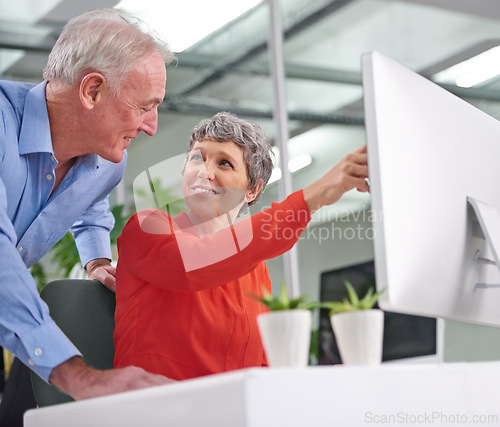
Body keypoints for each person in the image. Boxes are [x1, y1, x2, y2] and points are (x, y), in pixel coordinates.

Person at [0, 7, 176, 421]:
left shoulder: (108, 162)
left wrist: (96, 258)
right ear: (92, 90)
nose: (152, 125)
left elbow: (90, 198)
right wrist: (78, 376)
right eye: (145, 106)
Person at [114, 112, 368, 380]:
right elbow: (193, 264)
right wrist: (311, 197)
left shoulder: (255, 270)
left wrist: (321, 382)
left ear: (253, 190)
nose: (204, 172)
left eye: (224, 163)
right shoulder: (147, 227)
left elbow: (263, 368)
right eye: (197, 158)